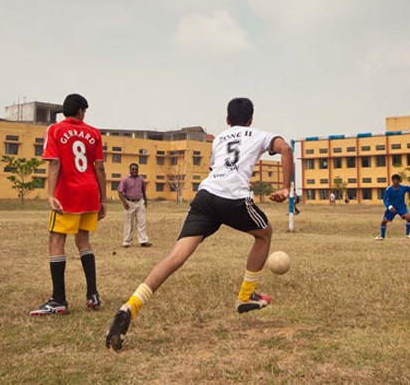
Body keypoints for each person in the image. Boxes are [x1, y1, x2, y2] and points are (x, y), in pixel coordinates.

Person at [105, 98, 293, 351]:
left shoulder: (219, 139)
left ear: (227, 120)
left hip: (206, 197)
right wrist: (285, 187)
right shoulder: (260, 135)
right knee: (264, 234)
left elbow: (215, 167)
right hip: (233, 198)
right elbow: (286, 149)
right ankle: (246, 296)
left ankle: (131, 306)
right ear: (251, 118)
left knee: (176, 257)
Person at [30, 94, 107, 316]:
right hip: (90, 191)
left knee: (56, 241)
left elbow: (55, 163)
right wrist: (103, 199)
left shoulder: (55, 130)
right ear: (81, 111)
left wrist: (51, 194)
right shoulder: (94, 133)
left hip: (68, 194)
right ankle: (92, 294)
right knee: (83, 241)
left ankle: (59, 300)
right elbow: (99, 167)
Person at [374, 174, 410, 241]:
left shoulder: (403, 187)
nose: (395, 181)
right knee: (384, 221)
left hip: (401, 207)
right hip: (391, 208)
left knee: (408, 217)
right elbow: (384, 199)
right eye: (394, 180)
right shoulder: (389, 189)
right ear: (392, 181)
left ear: (399, 181)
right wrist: (389, 206)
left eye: (397, 180)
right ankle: (382, 236)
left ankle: (408, 234)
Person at [118, 163, 151, 248]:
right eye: (133, 169)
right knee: (129, 223)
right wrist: (124, 203)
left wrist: (145, 201)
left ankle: (143, 241)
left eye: (136, 169)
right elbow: (120, 192)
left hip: (140, 202)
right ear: (130, 170)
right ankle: (126, 242)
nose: (134, 171)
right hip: (129, 203)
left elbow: (143, 190)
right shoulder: (125, 180)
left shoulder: (141, 179)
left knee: (142, 222)